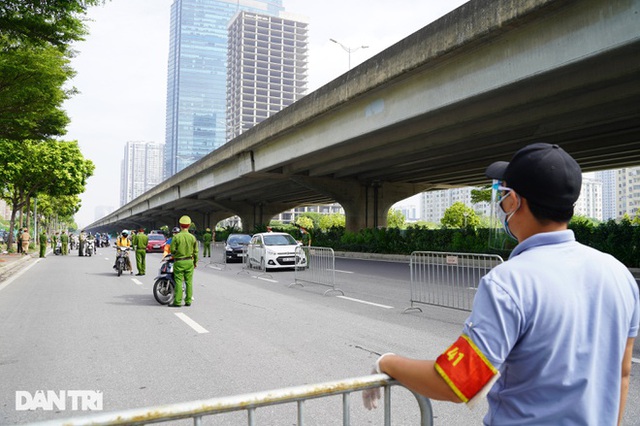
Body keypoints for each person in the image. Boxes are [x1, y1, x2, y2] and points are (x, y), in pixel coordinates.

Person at [362, 143, 639, 425]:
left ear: (514, 201)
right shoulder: (619, 274)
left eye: (503, 194)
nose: (501, 203)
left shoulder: (509, 281)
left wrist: (387, 362)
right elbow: (623, 373)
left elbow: (458, 383)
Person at [168, 216, 198, 307]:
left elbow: (172, 250)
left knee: (179, 281)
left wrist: (177, 253)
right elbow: (196, 252)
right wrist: (195, 262)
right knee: (189, 282)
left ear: (180, 226)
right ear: (189, 226)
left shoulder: (176, 237)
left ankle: (177, 302)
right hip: (189, 262)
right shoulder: (192, 237)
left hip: (179, 262)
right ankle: (188, 301)